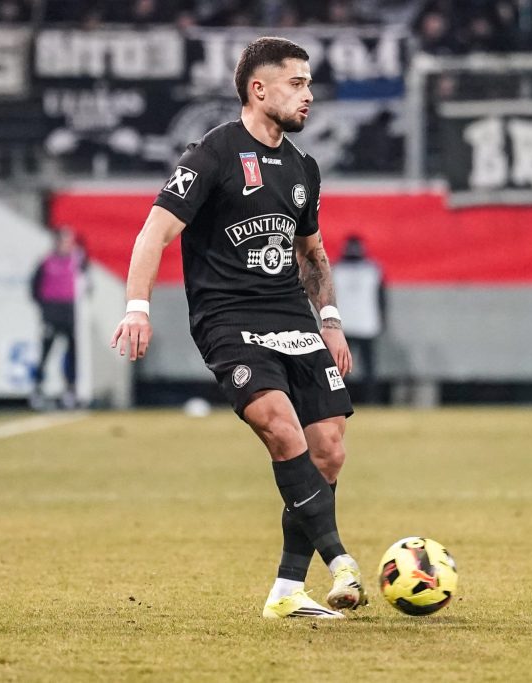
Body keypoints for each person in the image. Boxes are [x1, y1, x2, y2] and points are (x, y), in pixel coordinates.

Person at [110, 37, 367, 619]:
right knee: (281, 427)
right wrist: (137, 307)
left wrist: (329, 320)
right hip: (228, 319)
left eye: (309, 84)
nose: (308, 95)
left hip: (291, 318)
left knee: (328, 449)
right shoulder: (212, 154)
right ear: (259, 89)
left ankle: (287, 590)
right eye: (296, 84)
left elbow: (312, 253)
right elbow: (153, 233)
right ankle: (340, 559)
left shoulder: (303, 168)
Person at [30, 228, 87, 410]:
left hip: (68, 311)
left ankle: (70, 389)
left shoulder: (76, 260)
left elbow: (86, 277)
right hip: (51, 311)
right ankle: (38, 388)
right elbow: (34, 286)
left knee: (72, 353)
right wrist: (44, 308)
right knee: (45, 351)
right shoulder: (46, 261)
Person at [331, 235, 386, 403]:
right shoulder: (373, 269)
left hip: (346, 325)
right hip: (364, 324)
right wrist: (382, 320)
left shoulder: (336, 270)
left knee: (342, 367)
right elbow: (381, 299)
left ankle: (339, 400)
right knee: (366, 367)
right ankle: (370, 400)